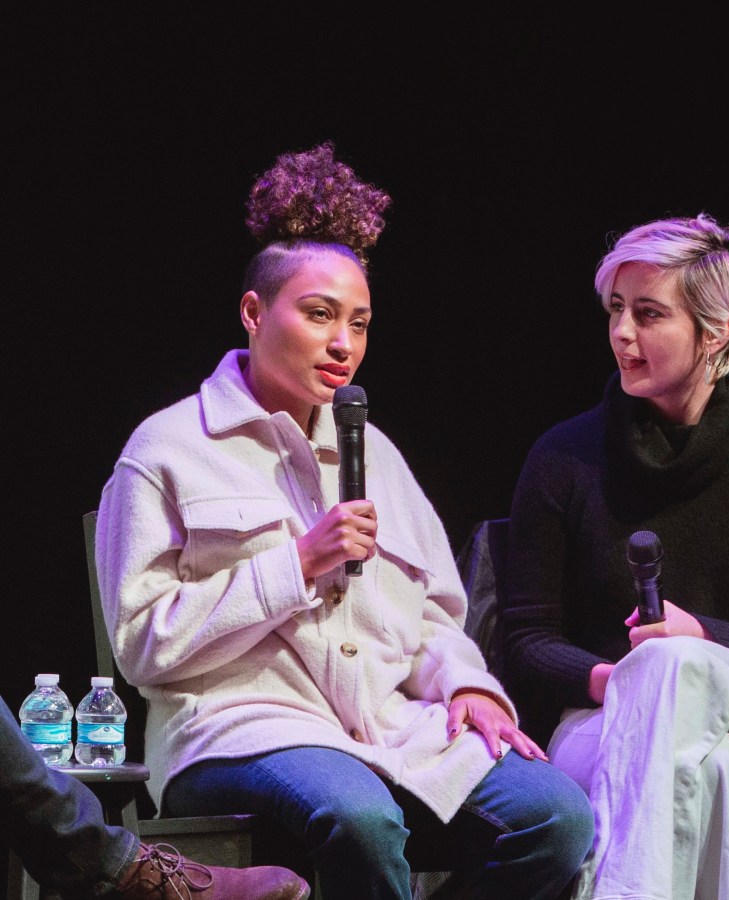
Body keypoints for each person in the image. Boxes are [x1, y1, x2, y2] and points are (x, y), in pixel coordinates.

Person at [94, 142, 593, 900]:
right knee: (360, 815)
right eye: (320, 314)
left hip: (388, 731)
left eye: (359, 324)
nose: (343, 345)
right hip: (236, 728)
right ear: (254, 311)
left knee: (556, 818)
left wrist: (466, 684)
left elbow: (433, 612)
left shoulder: (376, 453)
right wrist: (294, 564)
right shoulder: (168, 448)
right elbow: (140, 645)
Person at [499, 212, 729, 900]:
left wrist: (702, 640)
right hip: (602, 725)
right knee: (715, 773)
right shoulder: (563, 457)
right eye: (615, 310)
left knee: (676, 660)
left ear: (715, 331)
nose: (622, 333)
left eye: (648, 314)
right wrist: (625, 680)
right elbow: (527, 639)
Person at [1, 698, 309, 899]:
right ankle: (107, 862)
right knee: (349, 811)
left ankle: (107, 859)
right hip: (219, 721)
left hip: (319, 725)